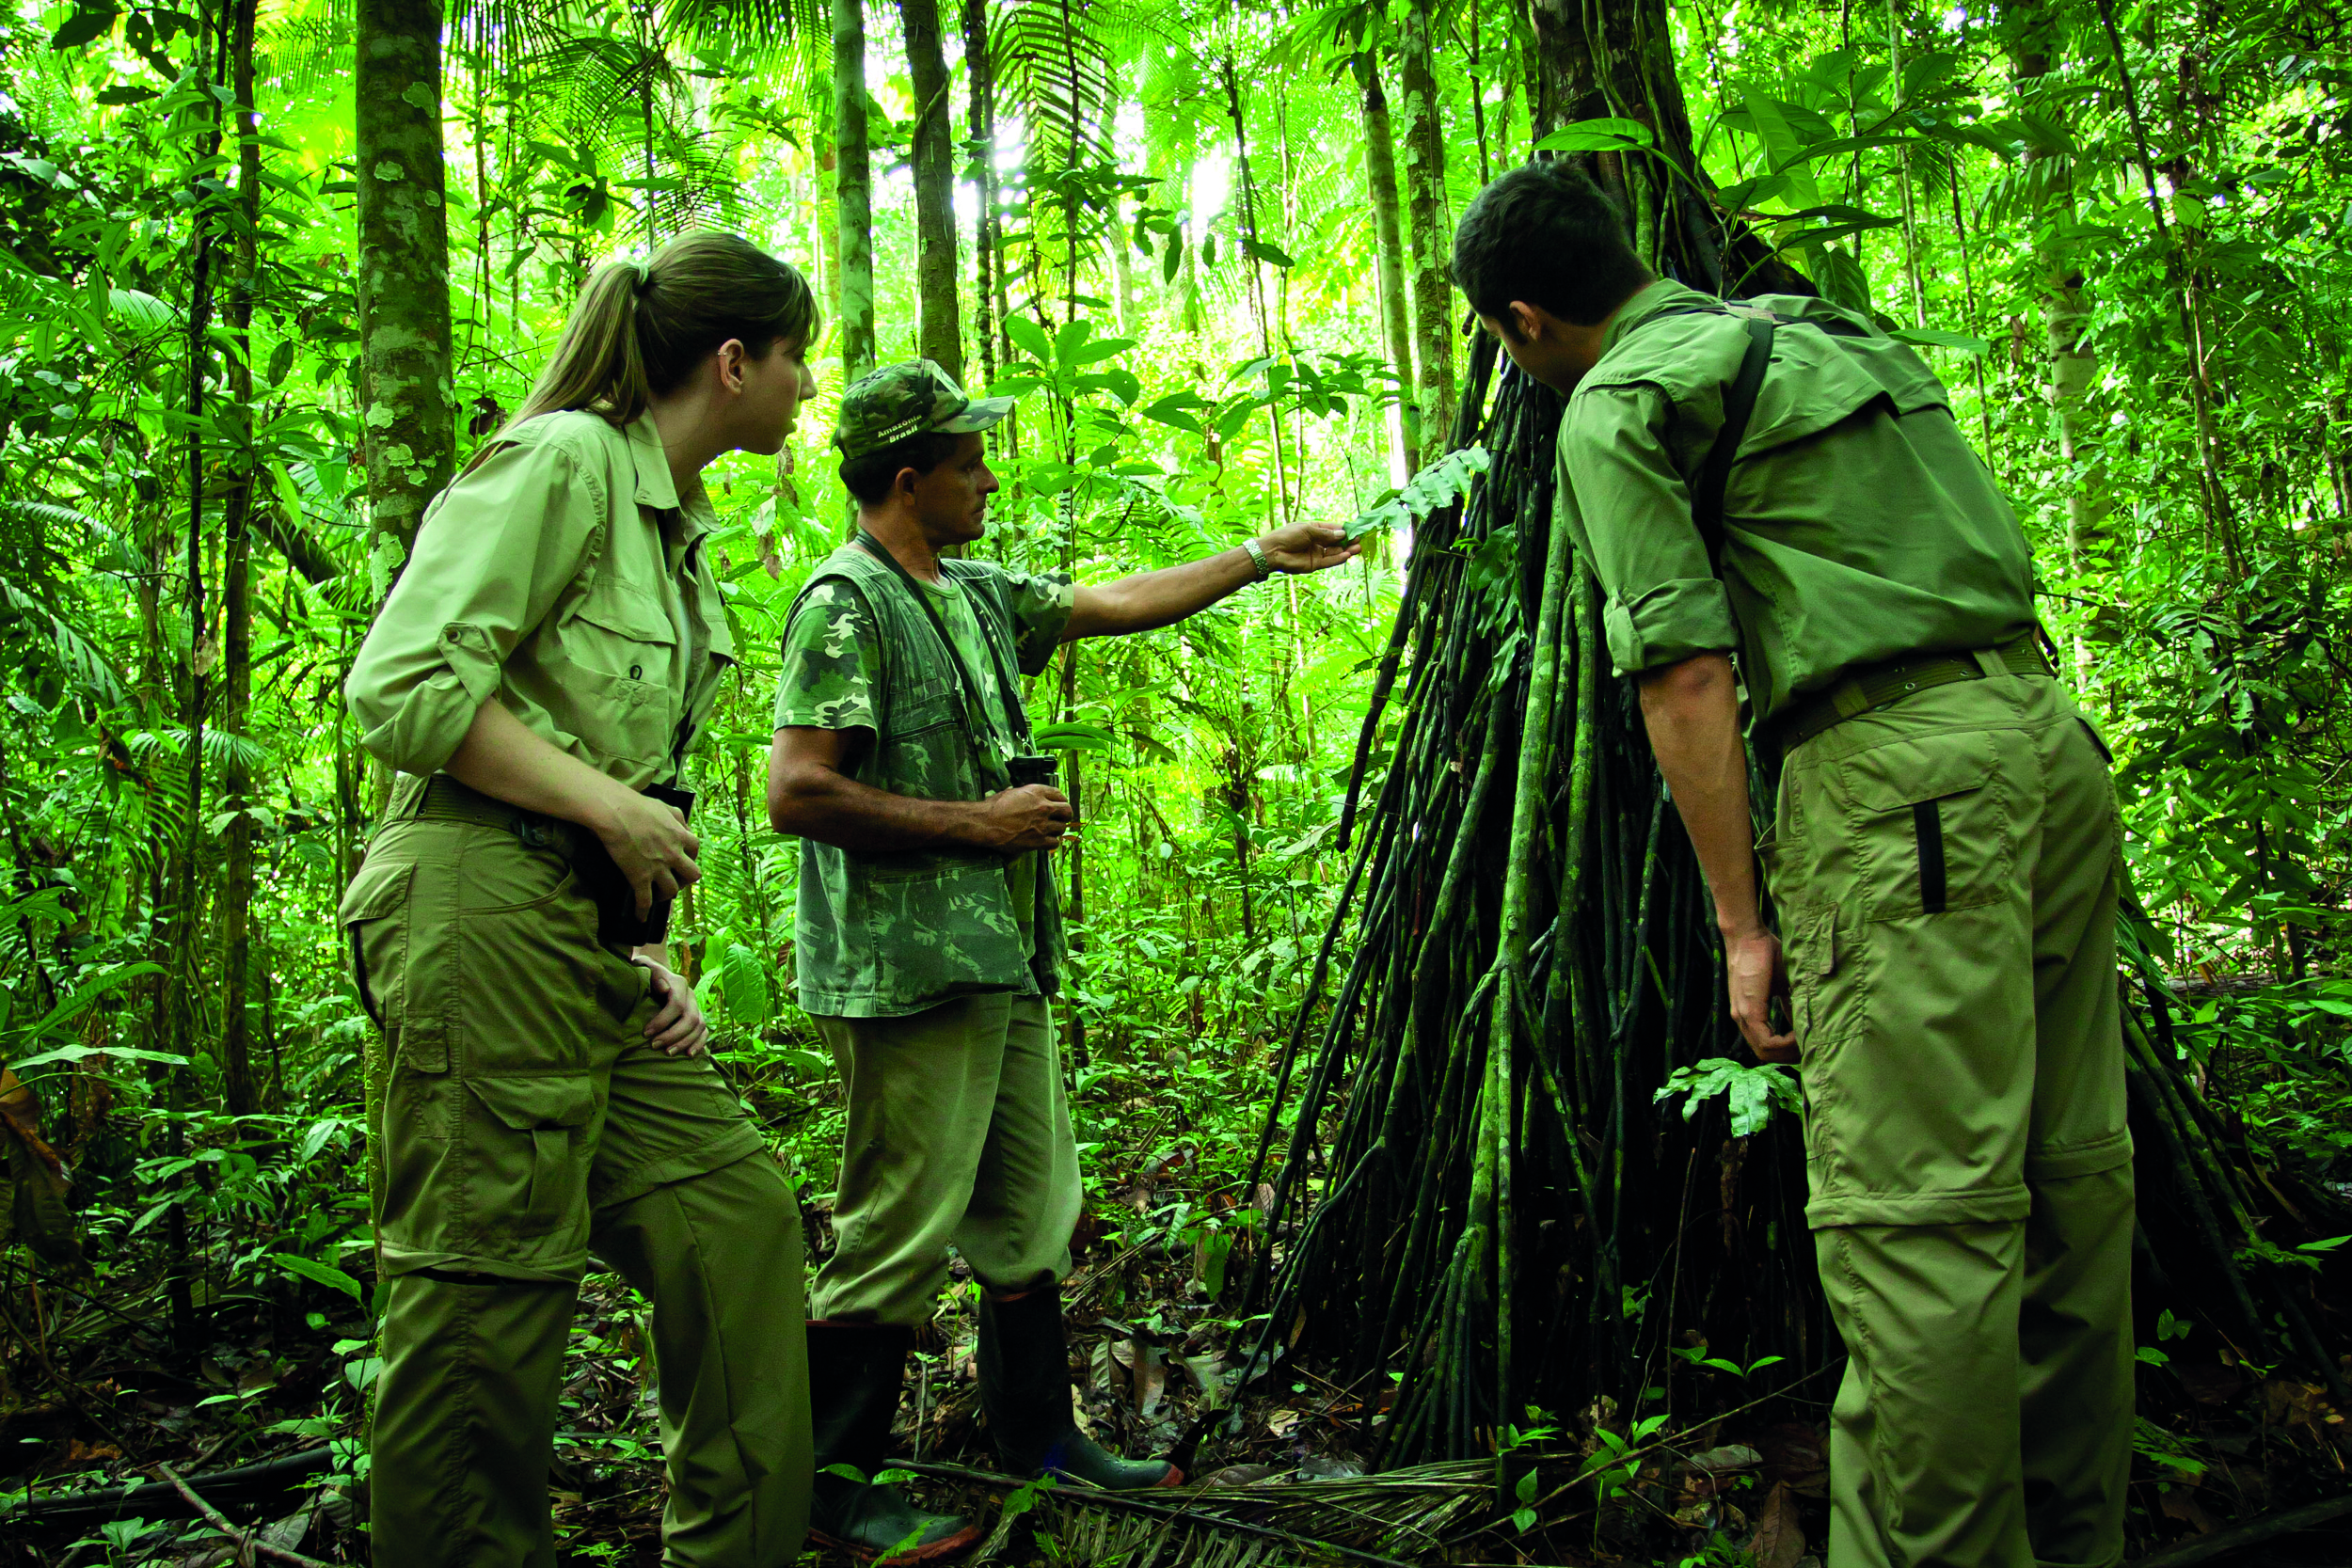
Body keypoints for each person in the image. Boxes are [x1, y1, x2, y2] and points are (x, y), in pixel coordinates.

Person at [1451, 163, 2134, 1568]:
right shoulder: (1831, 333)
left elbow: (1686, 673)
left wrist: (1739, 920)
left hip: (1897, 782)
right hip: (2047, 741)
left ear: (1523, 319)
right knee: (2074, 1182)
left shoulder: (1615, 401)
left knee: (1920, 1224)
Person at [765, 359, 1360, 1560]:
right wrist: (979, 824)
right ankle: (830, 1489)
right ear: (905, 477)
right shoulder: (845, 602)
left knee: (1031, 1212)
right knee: (899, 1225)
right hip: (906, 973)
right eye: (969, 460)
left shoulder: (974, 592)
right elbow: (798, 790)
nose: (987, 476)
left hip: (1002, 960)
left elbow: (1111, 601)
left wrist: (1257, 555)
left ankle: (1038, 1435)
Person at [342, 231, 821, 1568]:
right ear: (734, 362)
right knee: (485, 1291)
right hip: (475, 904)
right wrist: (606, 809)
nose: (804, 387)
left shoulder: (674, 536)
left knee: (734, 1218)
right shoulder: (563, 461)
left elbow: (614, 760)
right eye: (796, 359)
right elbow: (403, 687)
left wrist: (643, 944)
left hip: (579, 941)